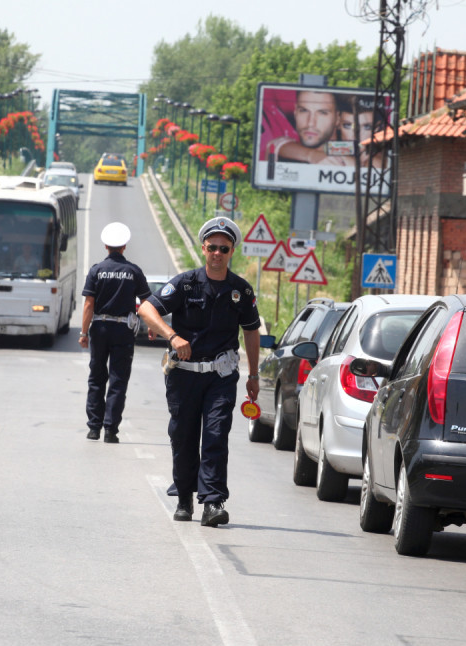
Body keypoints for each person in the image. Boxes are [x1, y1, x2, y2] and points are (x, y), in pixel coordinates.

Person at [138, 217, 261, 527]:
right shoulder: (185, 283)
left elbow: (251, 331)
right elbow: (146, 309)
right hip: (184, 376)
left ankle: (213, 502)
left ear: (232, 251)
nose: (217, 253)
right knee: (183, 436)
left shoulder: (241, 291)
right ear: (203, 248)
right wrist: (172, 335)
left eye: (224, 248)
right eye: (212, 248)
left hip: (221, 376)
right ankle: (184, 498)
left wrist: (254, 375)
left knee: (216, 435)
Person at [79, 222, 152, 444]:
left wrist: (84, 333)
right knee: (118, 381)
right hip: (123, 330)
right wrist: (153, 329)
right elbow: (147, 303)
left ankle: (94, 428)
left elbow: (88, 305)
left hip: (100, 328)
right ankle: (111, 430)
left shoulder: (96, 270)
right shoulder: (134, 271)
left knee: (96, 379)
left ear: (105, 245)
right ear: (124, 246)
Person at [263, 90, 344, 165]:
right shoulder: (288, 146)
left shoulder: (344, 149)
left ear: (337, 118)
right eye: (304, 111)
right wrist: (312, 155)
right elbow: (275, 145)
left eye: (322, 113)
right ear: (295, 112)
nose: (310, 123)